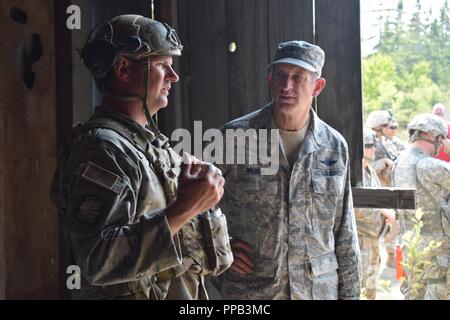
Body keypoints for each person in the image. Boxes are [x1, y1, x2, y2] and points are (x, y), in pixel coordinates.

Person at [51, 15, 232, 300]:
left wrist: (202, 201)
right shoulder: (103, 149)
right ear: (123, 68)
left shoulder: (149, 146)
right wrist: (185, 207)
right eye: (162, 65)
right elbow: (98, 260)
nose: (173, 77)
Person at [212, 40, 361, 300]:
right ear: (270, 80)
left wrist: (351, 294)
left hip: (318, 291)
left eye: (298, 77)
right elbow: (195, 207)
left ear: (317, 87)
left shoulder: (334, 146)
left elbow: (344, 229)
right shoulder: (234, 138)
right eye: (280, 76)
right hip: (253, 293)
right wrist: (217, 247)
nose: (286, 86)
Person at [392, 113, 450, 299]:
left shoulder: (398, 163)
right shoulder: (431, 166)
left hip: (411, 247)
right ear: (434, 137)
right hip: (437, 253)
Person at [355, 129, 395, 299]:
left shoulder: (369, 170)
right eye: (368, 145)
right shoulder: (354, 173)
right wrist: (381, 210)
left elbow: (378, 196)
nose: (373, 149)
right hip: (360, 241)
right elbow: (355, 208)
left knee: (371, 290)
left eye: (374, 145)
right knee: (360, 288)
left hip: (373, 240)